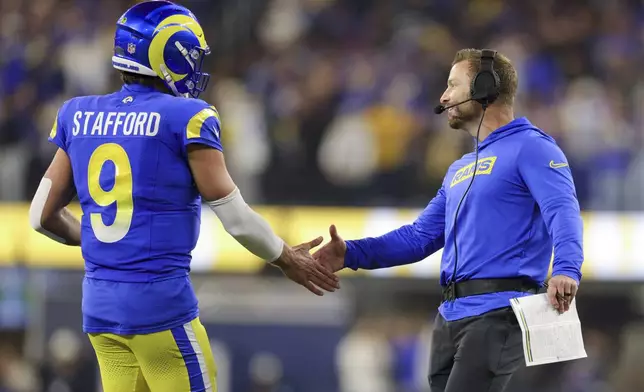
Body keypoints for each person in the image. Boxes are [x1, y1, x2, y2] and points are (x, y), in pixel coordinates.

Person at [27, 1, 339, 391]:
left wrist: (101, 241)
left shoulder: (79, 113)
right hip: (160, 308)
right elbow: (237, 219)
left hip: (100, 309)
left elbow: (40, 215)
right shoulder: (187, 116)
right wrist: (285, 257)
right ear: (170, 53)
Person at [313, 48, 584, 392]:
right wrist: (351, 253)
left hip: (501, 311)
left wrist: (566, 268)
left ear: (485, 87)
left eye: (453, 85)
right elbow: (419, 237)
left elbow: (563, 210)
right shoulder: (459, 169)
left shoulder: (533, 147)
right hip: (449, 317)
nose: (443, 97)